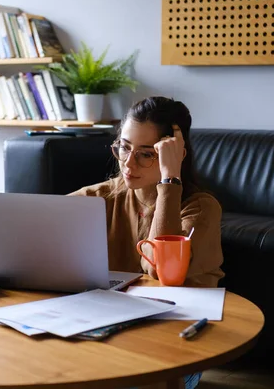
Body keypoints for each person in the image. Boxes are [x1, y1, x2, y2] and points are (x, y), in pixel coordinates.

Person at [69, 96, 225, 389]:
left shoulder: (201, 209)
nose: (128, 163)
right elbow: (42, 224)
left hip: (177, 348)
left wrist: (170, 180)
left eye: (145, 154)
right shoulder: (101, 197)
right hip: (112, 335)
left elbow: (157, 269)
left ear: (175, 154)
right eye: (124, 148)